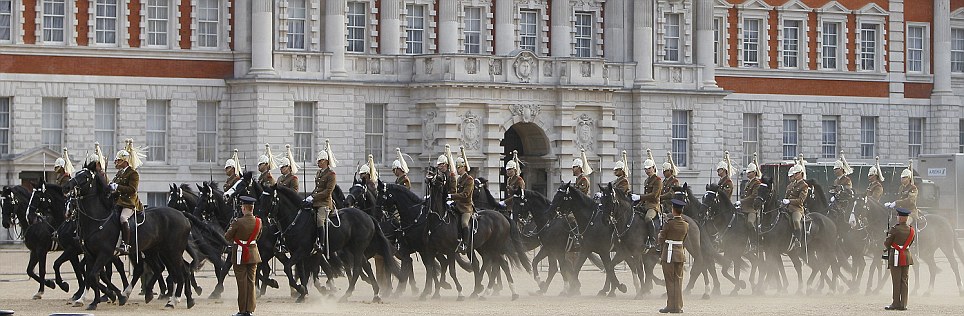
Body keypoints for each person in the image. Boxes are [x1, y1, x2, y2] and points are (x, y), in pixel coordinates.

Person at [224, 196, 262, 316]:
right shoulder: (259, 221)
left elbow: (227, 236)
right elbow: (258, 236)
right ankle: (250, 309)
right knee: (251, 282)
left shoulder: (237, 222)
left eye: (242, 207)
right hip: (253, 253)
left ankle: (242, 310)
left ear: (244, 208)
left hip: (240, 253)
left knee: (242, 282)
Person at [111, 139, 145, 255]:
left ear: (125, 161)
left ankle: (125, 244)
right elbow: (115, 187)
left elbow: (132, 190)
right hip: (118, 202)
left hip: (129, 203)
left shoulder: (133, 173)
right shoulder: (120, 173)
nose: (117, 162)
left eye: (119, 160)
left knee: (123, 218)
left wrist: (117, 187)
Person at [658, 199, 689, 314]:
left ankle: (670, 306)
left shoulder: (669, 223)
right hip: (680, 254)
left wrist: (660, 235)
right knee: (678, 281)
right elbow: (684, 240)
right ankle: (678, 306)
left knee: (670, 281)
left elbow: (661, 239)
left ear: (673, 210)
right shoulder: (686, 224)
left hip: (669, 255)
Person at [306, 139, 337, 250]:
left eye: (320, 161)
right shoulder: (319, 172)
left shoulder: (331, 174)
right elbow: (317, 188)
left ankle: (321, 243)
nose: (318, 163)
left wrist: (313, 197)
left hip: (324, 203)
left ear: (325, 161)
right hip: (315, 201)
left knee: (320, 219)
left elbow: (328, 191)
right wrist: (309, 197)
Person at [883, 207, 915, 311]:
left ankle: (895, 303)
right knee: (904, 280)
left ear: (901, 218)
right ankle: (904, 304)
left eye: (898, 216)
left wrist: (887, 236)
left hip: (896, 256)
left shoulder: (895, 229)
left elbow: (887, 243)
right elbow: (910, 243)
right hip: (906, 256)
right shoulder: (911, 230)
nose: (897, 217)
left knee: (896, 280)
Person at [451, 147, 475, 253]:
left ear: (464, 167)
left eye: (459, 167)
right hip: (457, 205)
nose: (457, 169)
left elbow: (465, 194)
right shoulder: (459, 179)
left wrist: (452, 196)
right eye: (457, 167)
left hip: (466, 207)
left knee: (464, 223)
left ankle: (465, 244)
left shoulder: (469, 179)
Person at [782, 157, 809, 249]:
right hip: (787, 207)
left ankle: (798, 240)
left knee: (796, 221)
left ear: (801, 174)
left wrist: (790, 201)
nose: (795, 175)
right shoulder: (792, 184)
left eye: (797, 174)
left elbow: (801, 200)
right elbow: (787, 196)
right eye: (794, 174)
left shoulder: (804, 185)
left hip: (797, 208)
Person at [639, 149, 662, 250]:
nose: (647, 171)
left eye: (649, 168)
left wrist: (640, 197)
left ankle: (652, 240)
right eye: (646, 169)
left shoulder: (658, 180)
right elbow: (645, 195)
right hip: (645, 205)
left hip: (653, 206)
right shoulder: (646, 181)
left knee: (648, 218)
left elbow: (654, 195)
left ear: (653, 168)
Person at [886, 161, 919, 226]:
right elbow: (900, 198)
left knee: (905, 224)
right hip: (901, 211)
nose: (902, 179)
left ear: (909, 178)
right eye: (901, 178)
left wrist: (896, 202)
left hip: (910, 212)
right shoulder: (901, 188)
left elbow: (910, 201)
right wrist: (891, 204)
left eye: (904, 178)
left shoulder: (913, 188)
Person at [737, 153, 762, 230]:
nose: (747, 174)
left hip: (752, 209)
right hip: (743, 208)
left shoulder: (757, 183)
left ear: (754, 173)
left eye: (749, 172)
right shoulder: (747, 182)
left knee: (750, 223)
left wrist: (742, 201)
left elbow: (753, 196)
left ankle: (753, 240)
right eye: (747, 172)